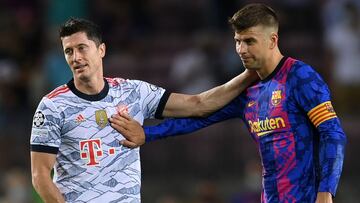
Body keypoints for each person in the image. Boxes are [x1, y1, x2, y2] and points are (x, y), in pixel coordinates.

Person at [113, 3, 346, 203]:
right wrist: (148, 134)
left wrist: (326, 191)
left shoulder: (301, 77)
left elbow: (333, 133)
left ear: (272, 40)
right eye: (238, 41)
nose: (241, 50)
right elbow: (198, 119)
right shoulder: (247, 91)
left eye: (250, 41)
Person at [29, 18, 257, 202]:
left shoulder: (133, 92)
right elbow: (40, 175)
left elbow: (198, 104)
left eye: (82, 48)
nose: (76, 57)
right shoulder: (52, 106)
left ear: (101, 50)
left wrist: (249, 75)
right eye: (69, 51)